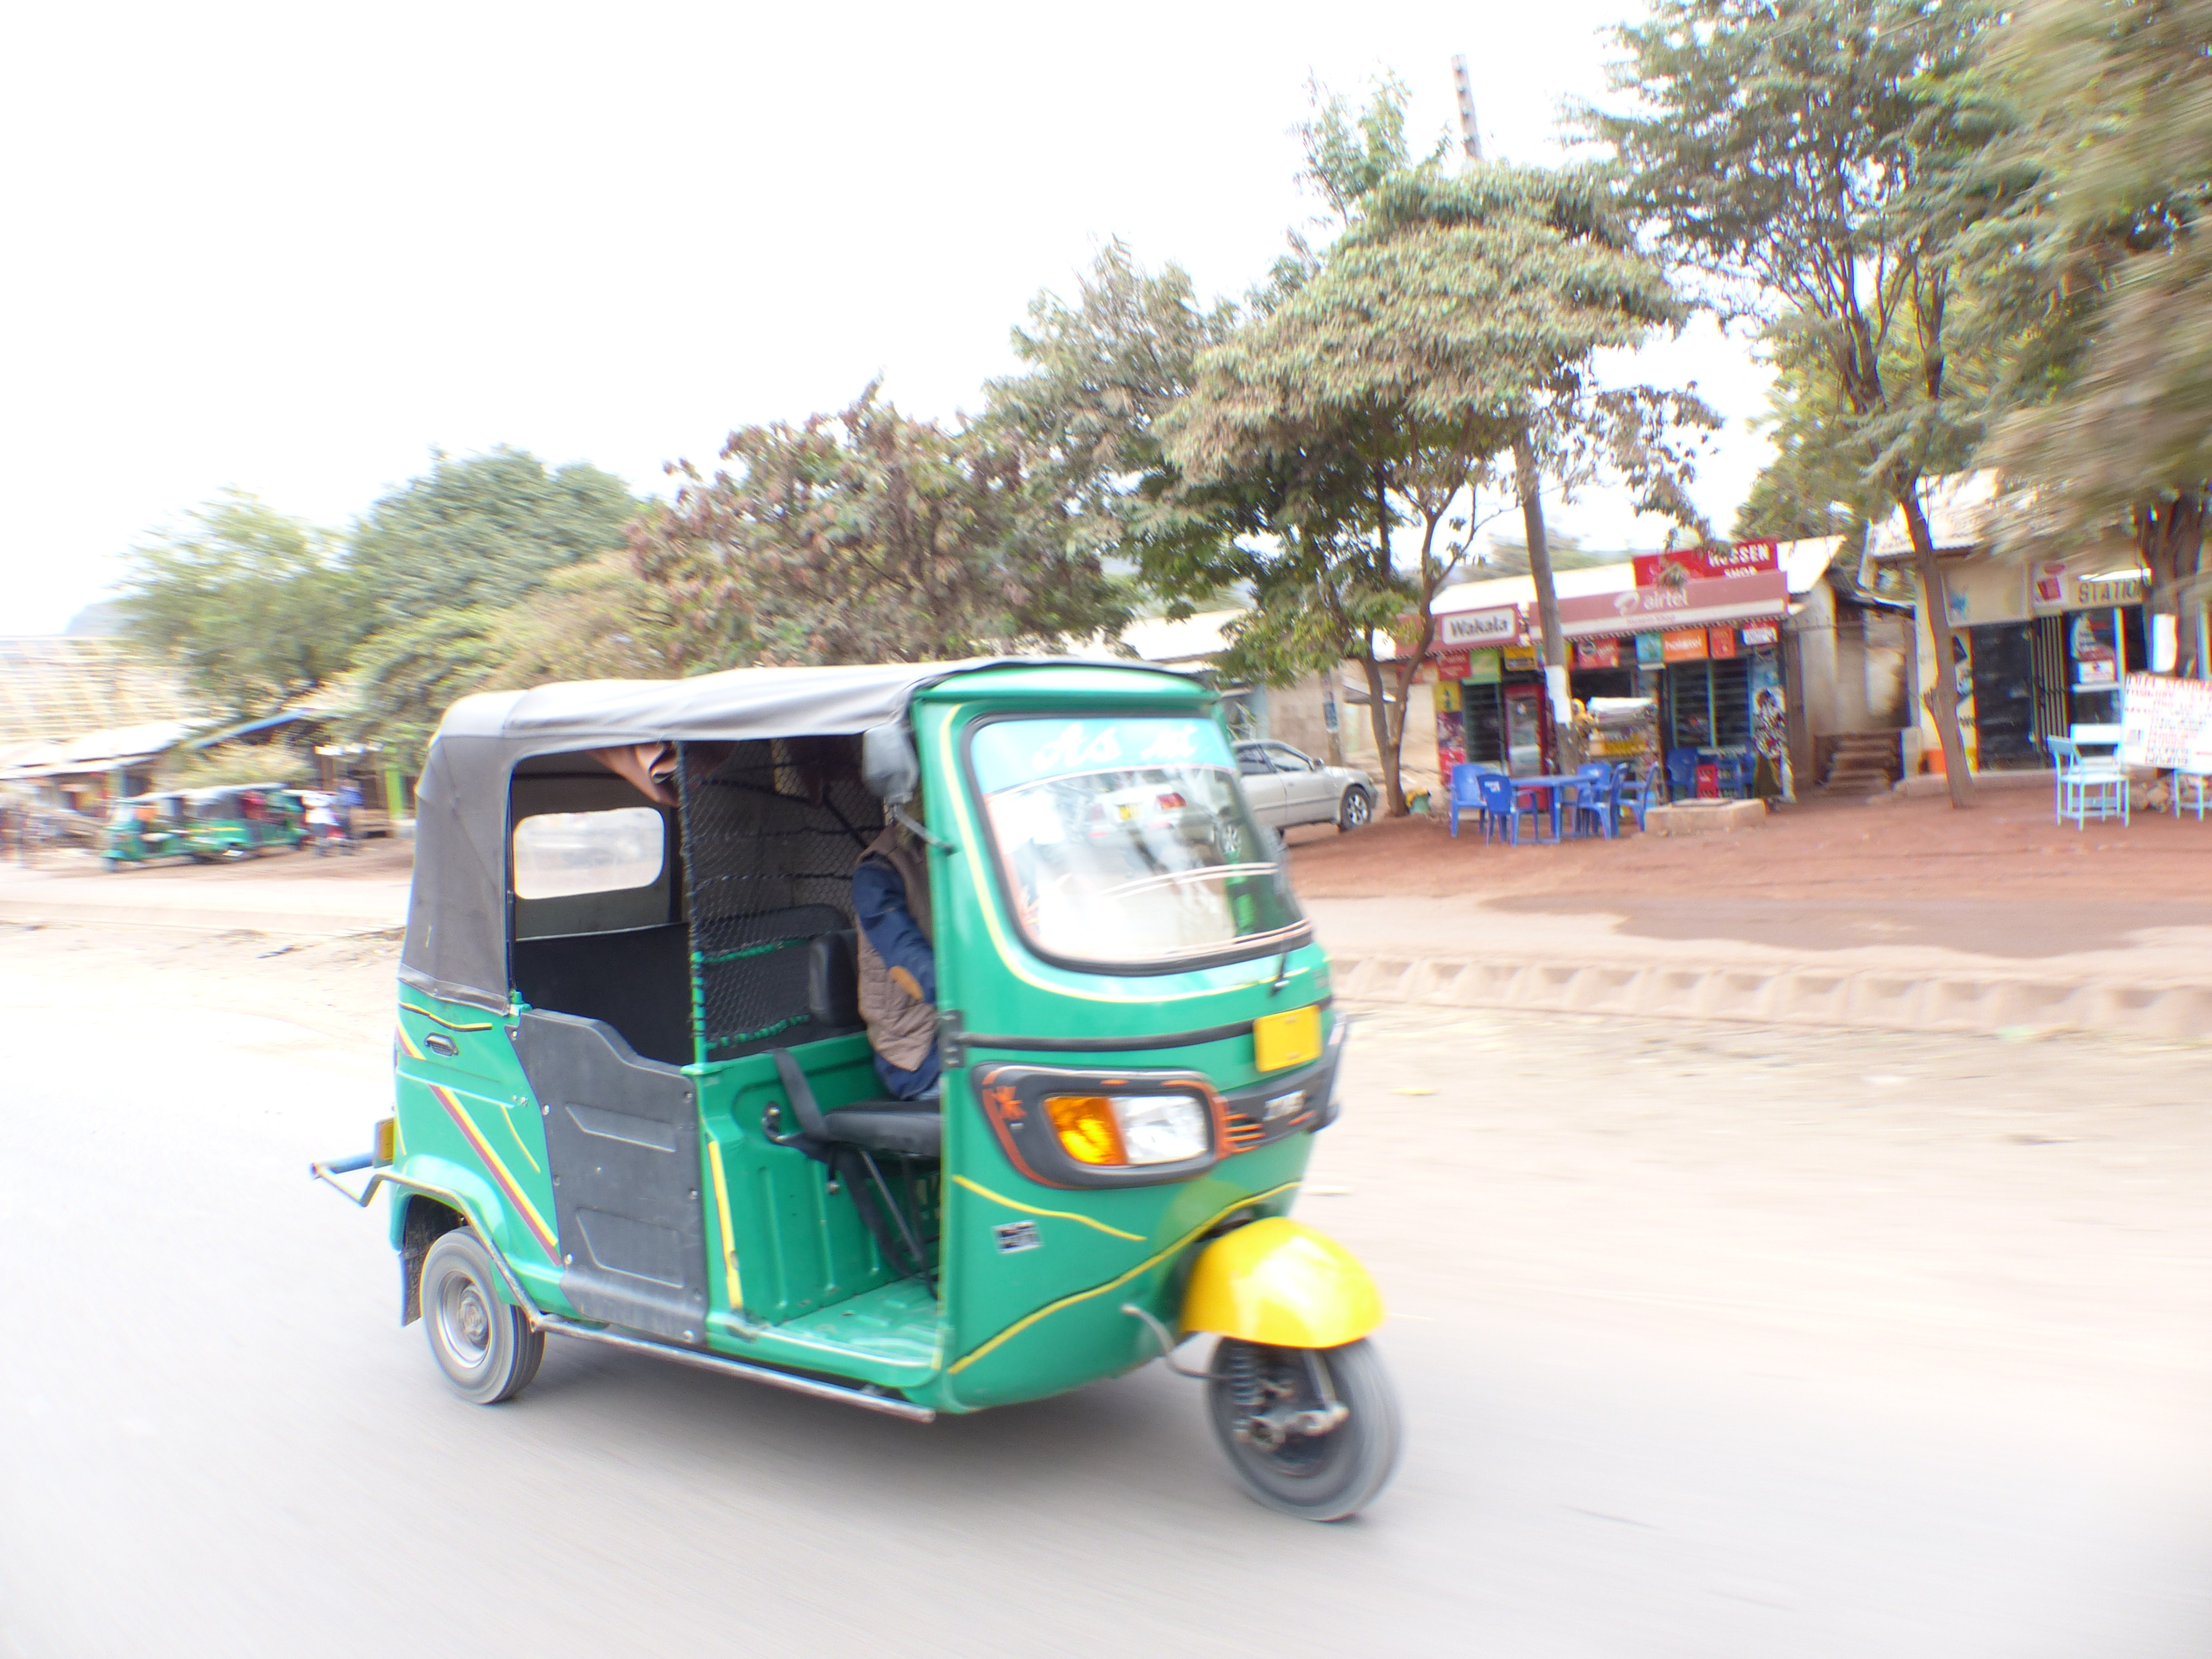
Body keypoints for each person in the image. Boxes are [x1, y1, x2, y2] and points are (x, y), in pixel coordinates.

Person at [852, 811, 938, 1099]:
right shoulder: (878, 871)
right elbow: (909, 961)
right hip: (920, 1052)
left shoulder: (971, 853)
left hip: (972, 1033)